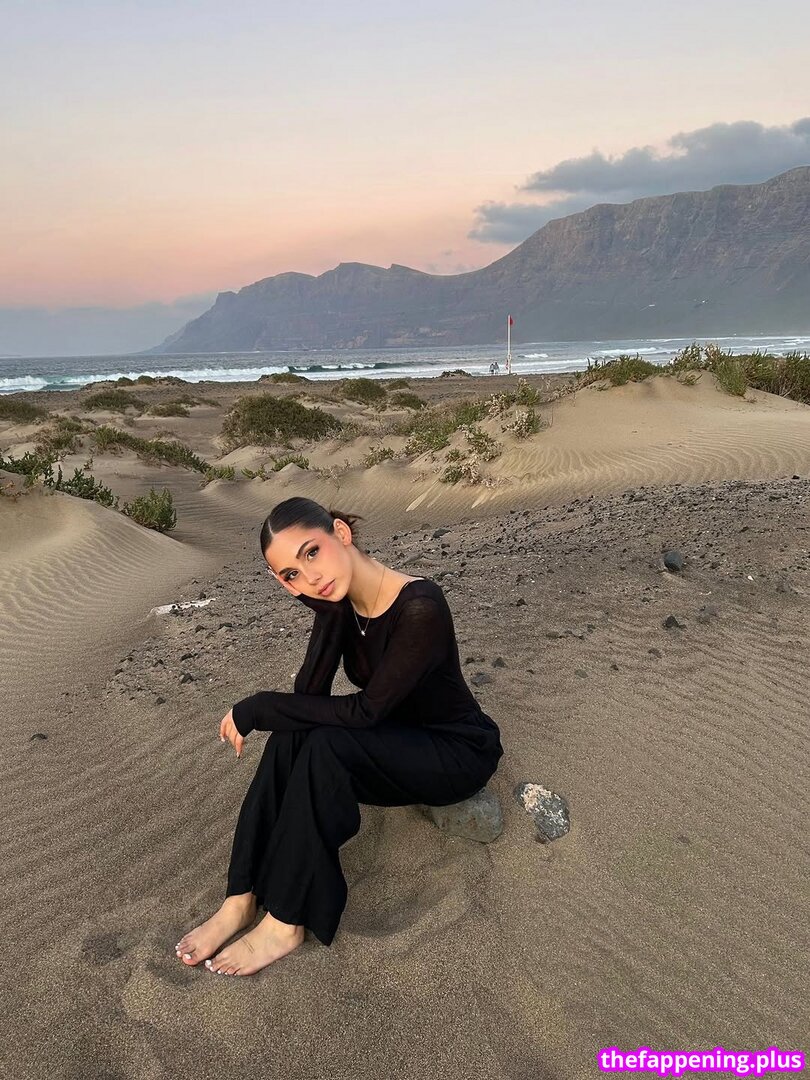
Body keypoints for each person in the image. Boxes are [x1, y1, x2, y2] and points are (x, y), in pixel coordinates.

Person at [174, 497, 504, 976]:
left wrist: (259, 707)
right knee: (293, 734)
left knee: (326, 742)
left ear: (341, 534)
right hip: (396, 738)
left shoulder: (421, 607)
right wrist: (327, 610)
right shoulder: (341, 602)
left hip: (454, 751)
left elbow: (366, 711)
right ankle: (240, 898)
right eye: (291, 574)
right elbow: (309, 695)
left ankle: (286, 920)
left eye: (312, 552)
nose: (310, 576)